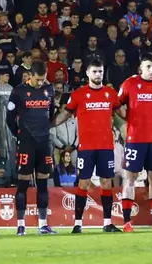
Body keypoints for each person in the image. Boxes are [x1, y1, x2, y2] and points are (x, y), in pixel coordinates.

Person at [54, 58, 122, 233]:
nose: (98, 75)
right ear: (87, 73)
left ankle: (107, 223)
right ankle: (78, 224)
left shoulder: (110, 94)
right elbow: (65, 114)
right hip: (86, 147)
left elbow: (122, 113)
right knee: (83, 183)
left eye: (100, 72)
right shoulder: (78, 94)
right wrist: (49, 125)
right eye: (95, 72)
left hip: (106, 146)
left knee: (106, 183)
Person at [116, 52, 152, 232]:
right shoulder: (129, 84)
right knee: (130, 179)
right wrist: (127, 118)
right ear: (141, 67)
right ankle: (126, 222)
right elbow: (116, 104)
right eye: (148, 66)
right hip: (135, 140)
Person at [6, 61, 57, 235]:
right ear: (30, 76)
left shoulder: (49, 90)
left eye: (43, 79)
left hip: (44, 143)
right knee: (23, 183)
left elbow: (51, 114)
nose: (41, 82)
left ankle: (43, 224)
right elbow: (9, 118)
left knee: (43, 184)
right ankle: (21, 225)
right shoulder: (18, 91)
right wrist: (19, 135)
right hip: (27, 143)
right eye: (38, 79)